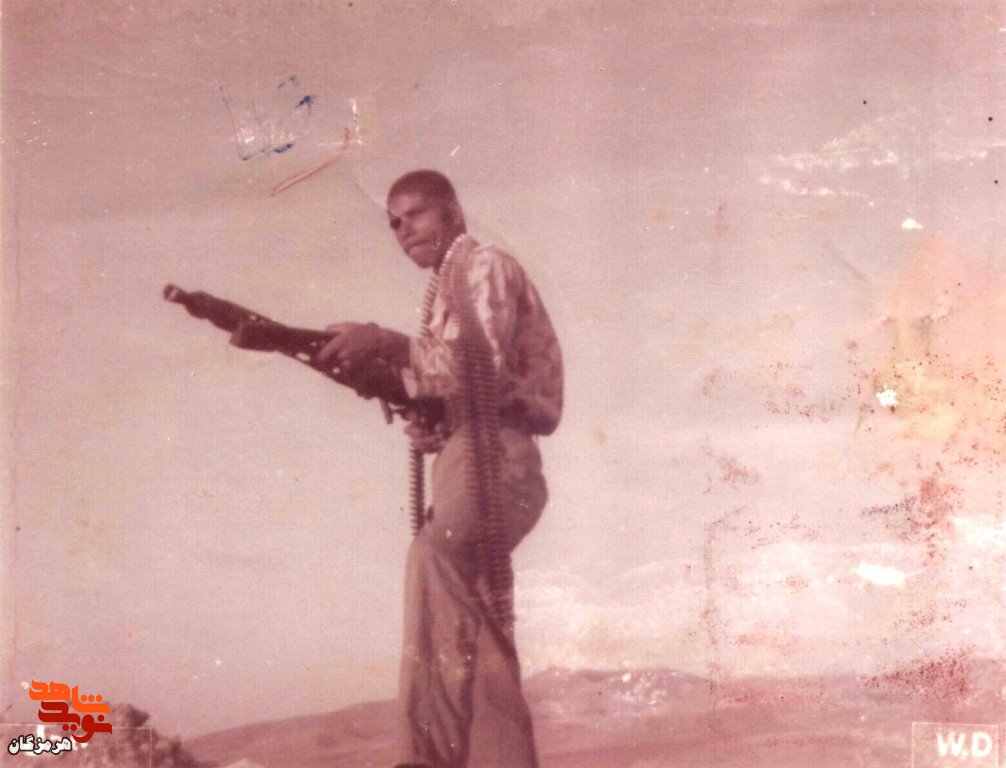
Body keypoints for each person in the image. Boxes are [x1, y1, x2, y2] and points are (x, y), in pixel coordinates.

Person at [318, 170, 563, 768]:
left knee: (435, 560)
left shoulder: (485, 266)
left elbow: (479, 363)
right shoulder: (446, 290)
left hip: (497, 454)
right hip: (467, 454)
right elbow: (454, 383)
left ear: (452, 211)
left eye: (415, 215)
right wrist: (422, 413)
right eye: (393, 223)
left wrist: (386, 344)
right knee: (470, 612)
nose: (402, 232)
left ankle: (425, 757)